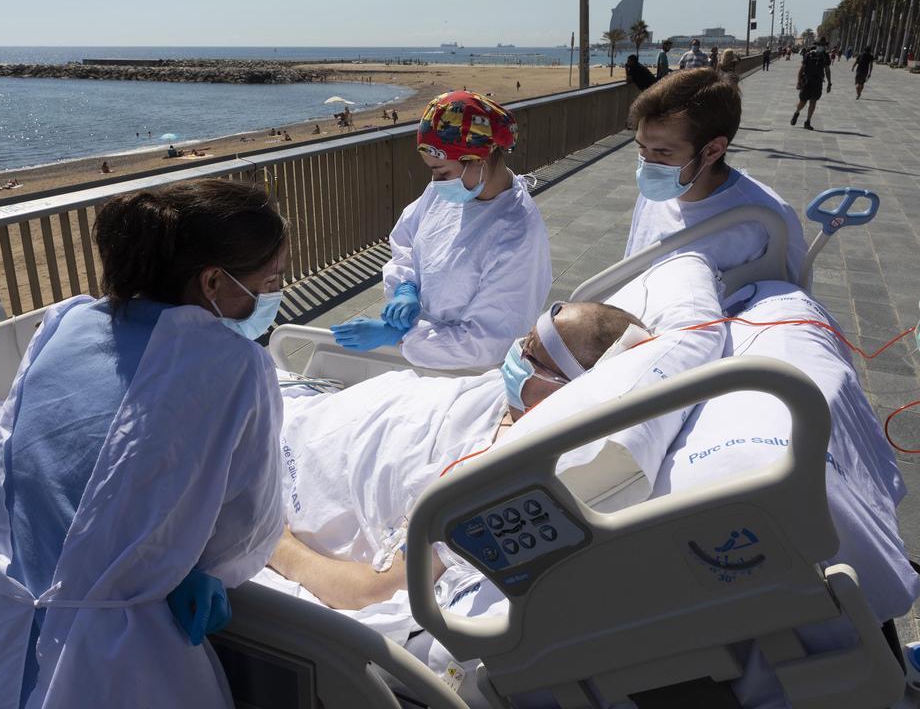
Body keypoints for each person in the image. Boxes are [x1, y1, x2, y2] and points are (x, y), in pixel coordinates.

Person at [0, 181, 290, 709]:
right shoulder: (238, 366)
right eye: (272, 279)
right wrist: (210, 569)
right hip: (113, 663)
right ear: (213, 280)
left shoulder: (65, 322)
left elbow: (17, 459)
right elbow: (248, 519)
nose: (275, 293)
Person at [272, 300, 646, 611]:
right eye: (526, 338)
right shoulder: (504, 394)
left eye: (532, 355)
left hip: (288, 467)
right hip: (311, 418)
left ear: (566, 392)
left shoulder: (499, 483)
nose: (516, 352)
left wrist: (275, 543)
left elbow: (371, 591)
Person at [331, 91, 551, 369]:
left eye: (443, 172)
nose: (436, 182)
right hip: (421, 355)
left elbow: (487, 342)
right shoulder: (451, 191)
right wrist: (406, 287)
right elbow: (407, 241)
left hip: (469, 372)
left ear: (479, 158)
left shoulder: (517, 233)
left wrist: (401, 337)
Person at [624, 67, 808, 282]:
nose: (647, 163)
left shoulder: (766, 220)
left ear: (713, 150)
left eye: (662, 152)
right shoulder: (651, 196)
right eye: (642, 147)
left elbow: (792, 304)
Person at [791, 36, 832, 130]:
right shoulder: (809, 55)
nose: (821, 46)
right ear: (816, 45)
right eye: (819, 45)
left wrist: (829, 83)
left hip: (818, 82)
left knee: (813, 102)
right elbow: (801, 69)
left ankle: (807, 121)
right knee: (803, 102)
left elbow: (827, 70)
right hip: (807, 81)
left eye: (823, 45)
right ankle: (797, 112)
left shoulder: (826, 56)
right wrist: (798, 81)